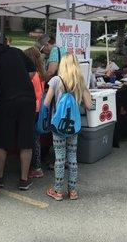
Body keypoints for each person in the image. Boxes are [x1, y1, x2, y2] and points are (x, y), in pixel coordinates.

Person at [0, 35, 37, 190]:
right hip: (27, 99)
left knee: (2, 141)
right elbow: (32, 71)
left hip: (5, 102)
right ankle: (24, 180)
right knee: (26, 140)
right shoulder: (16, 51)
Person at [44, 53, 92, 201]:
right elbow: (89, 106)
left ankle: (57, 191)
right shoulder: (80, 81)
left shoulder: (55, 80)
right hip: (73, 126)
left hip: (58, 126)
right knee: (72, 157)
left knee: (59, 158)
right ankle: (73, 191)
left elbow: (46, 103)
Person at [23, 46, 46, 179]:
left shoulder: (32, 75)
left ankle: (36, 167)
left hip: (33, 108)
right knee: (36, 138)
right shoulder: (40, 73)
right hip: (39, 107)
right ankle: (36, 165)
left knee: (33, 139)